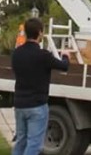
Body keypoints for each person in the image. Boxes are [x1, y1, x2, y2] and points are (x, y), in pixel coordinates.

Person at [11, 18, 70, 155]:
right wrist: (66, 56)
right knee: (34, 144)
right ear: (40, 33)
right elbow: (63, 66)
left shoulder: (16, 54)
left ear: (25, 32)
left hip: (20, 104)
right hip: (37, 104)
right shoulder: (43, 55)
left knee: (21, 141)